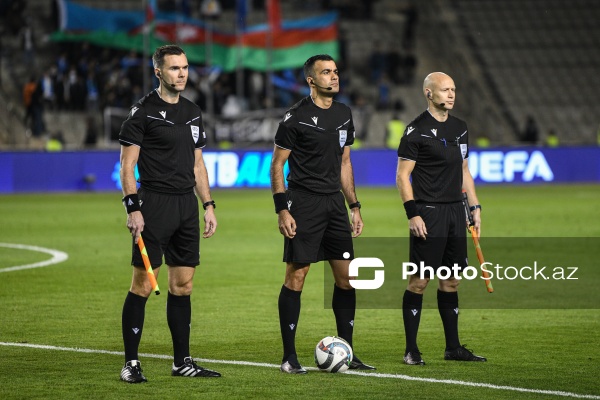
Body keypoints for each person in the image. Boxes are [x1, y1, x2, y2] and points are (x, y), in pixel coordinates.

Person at [118, 44, 221, 383]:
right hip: (154, 204)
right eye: (175, 68)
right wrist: (133, 208)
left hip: (185, 208)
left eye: (186, 68)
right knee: (144, 285)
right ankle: (131, 363)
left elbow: (198, 164)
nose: (182, 74)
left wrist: (207, 205)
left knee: (184, 285)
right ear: (158, 72)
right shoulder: (143, 111)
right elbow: (127, 164)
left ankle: (182, 361)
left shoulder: (192, 111)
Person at [270, 54, 376, 374]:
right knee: (297, 276)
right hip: (303, 203)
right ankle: (289, 357)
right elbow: (277, 165)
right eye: (326, 72)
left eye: (335, 71)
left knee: (346, 279)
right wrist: (282, 210)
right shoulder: (295, 117)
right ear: (311, 80)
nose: (334, 77)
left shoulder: (344, 114)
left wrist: (354, 206)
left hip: (334, 205)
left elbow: (345, 164)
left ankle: (348, 352)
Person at [396, 72, 487, 365]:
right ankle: (411, 349)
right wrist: (413, 214)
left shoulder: (460, 128)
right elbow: (402, 176)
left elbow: (464, 171)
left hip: (455, 213)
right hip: (428, 213)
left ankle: (453, 348)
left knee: (451, 281)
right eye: (445, 90)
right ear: (428, 93)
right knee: (420, 281)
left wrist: (474, 208)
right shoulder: (415, 130)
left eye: (453, 89)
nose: (451, 94)